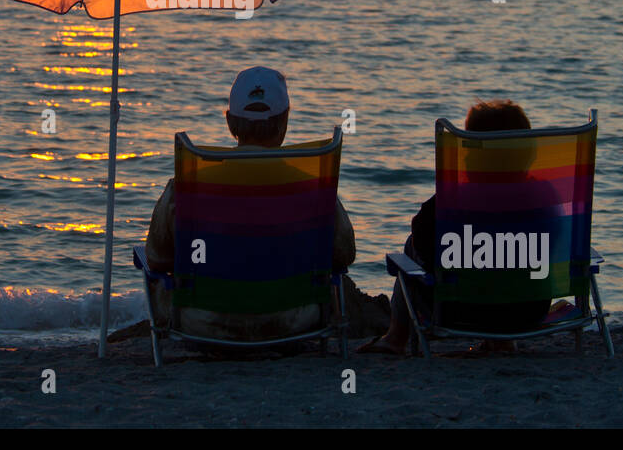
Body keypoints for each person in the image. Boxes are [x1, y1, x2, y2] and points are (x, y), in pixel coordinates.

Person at [144, 66, 355, 343]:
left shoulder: (189, 187)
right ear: (284, 122)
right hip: (296, 322)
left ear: (230, 122)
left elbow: (157, 259)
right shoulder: (312, 188)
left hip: (204, 323)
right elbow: (344, 253)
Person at [361, 99, 554, 355]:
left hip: (463, 311)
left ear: (475, 153)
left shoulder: (453, 202)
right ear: (527, 150)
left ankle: (396, 338)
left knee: (413, 246)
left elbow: (424, 244)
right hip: (529, 312)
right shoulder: (546, 196)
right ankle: (504, 341)